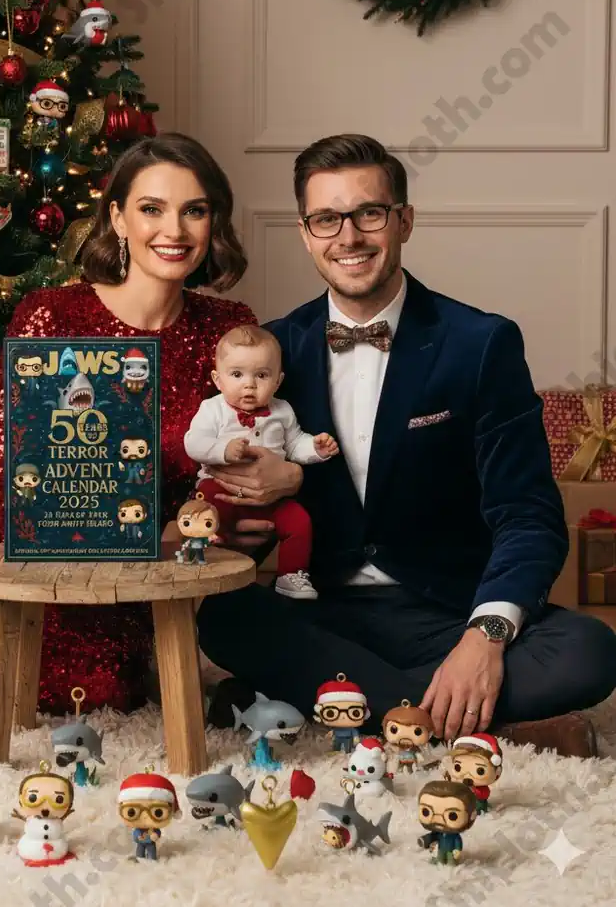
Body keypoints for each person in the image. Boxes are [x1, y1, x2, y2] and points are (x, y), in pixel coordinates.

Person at [198, 133, 616, 756]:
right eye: (326, 219)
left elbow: (528, 516)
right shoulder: (274, 350)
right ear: (306, 233)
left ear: (404, 221)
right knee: (225, 619)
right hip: (324, 608)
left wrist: (486, 639)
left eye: (369, 213)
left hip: (449, 609)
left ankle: (333, 701)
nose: (349, 236)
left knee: (590, 651)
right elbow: (232, 483)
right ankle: (485, 728)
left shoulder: (481, 343)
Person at [0, 132, 271, 713]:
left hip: (155, 580)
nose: (174, 231)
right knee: (68, 690)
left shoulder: (227, 330)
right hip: (31, 568)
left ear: (214, 222)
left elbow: (245, 450)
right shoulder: (52, 316)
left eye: (195, 211)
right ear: (118, 219)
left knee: (122, 687)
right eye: (152, 209)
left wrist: (249, 494)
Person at [183, 323, 339, 598]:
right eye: (237, 374)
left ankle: (291, 575)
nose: (249, 384)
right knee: (206, 506)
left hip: (273, 499)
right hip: (222, 489)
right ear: (218, 380)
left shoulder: (282, 410)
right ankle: (207, 550)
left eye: (261, 375)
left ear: (277, 381)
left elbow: (293, 444)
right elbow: (193, 443)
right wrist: (223, 450)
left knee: (299, 521)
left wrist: (315, 448)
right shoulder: (213, 409)